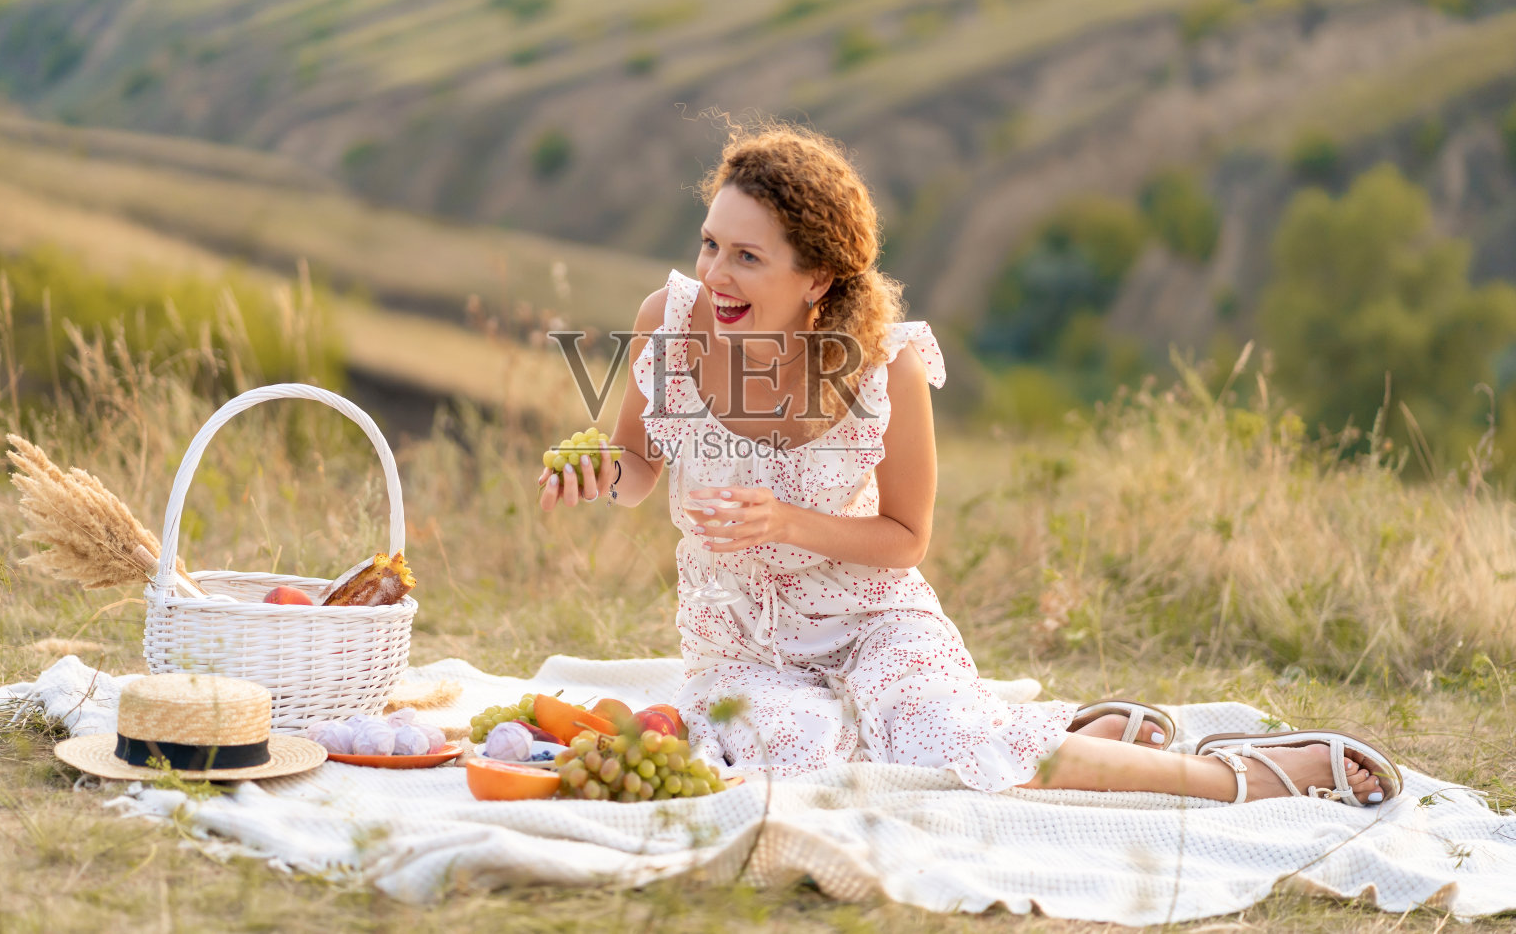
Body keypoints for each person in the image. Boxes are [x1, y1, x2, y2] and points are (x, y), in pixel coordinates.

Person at [537, 122, 1398, 807]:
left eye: (747, 256)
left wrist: (788, 522)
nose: (715, 274)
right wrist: (599, 476)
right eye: (709, 244)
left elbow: (907, 537)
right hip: (736, 641)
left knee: (938, 735)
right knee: (785, 755)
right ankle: (1085, 731)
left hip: (874, 615)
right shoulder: (671, 319)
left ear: (817, 278)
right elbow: (639, 465)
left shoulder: (887, 364)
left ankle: (1243, 776)